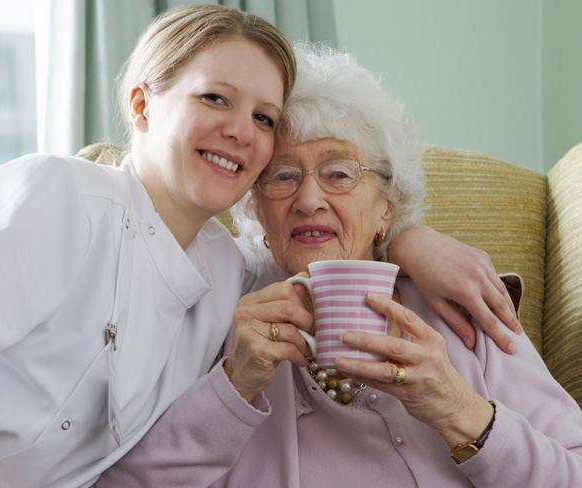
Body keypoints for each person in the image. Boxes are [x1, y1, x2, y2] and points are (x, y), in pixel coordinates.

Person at [0, 5, 519, 486]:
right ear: (141, 105)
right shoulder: (60, 197)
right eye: (215, 98)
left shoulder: (228, 274)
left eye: (264, 118)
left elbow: (320, 243)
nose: (241, 130)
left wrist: (410, 241)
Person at [96, 44, 582, 488]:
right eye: (282, 176)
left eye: (339, 174)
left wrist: (459, 409)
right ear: (256, 210)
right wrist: (233, 386)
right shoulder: (226, 316)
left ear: (386, 206)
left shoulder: (462, 307)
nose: (309, 200)